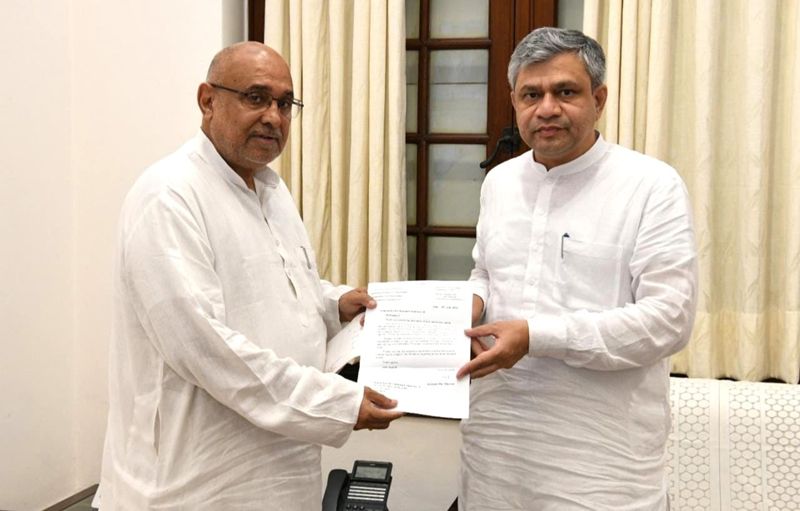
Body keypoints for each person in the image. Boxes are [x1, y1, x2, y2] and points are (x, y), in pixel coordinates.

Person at [92, 42, 403, 511]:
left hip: (283, 472)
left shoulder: (271, 189)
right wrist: (335, 404)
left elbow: (278, 293)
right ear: (207, 100)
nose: (273, 117)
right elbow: (205, 348)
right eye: (256, 98)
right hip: (196, 486)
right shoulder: (169, 196)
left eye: (285, 103)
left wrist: (333, 305)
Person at [456, 28, 697, 510]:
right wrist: (466, 306)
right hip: (494, 448)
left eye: (565, 92)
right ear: (514, 102)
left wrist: (536, 336)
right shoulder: (500, 182)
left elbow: (669, 319)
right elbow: (486, 271)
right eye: (531, 95)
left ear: (598, 99)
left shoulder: (651, 185)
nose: (547, 108)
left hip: (604, 464)